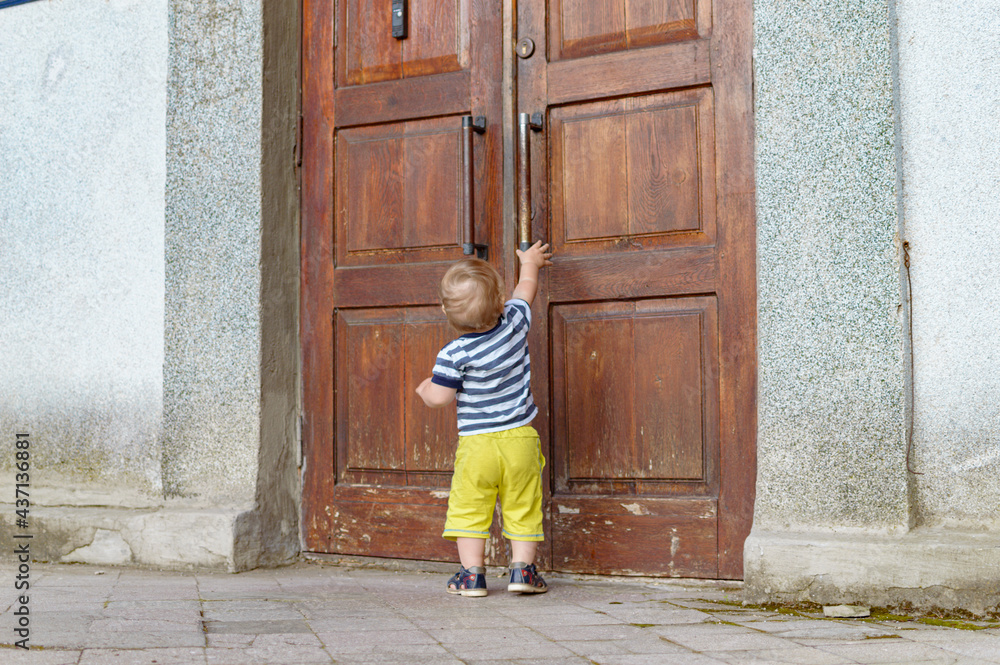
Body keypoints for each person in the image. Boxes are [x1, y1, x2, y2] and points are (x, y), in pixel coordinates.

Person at [416, 241, 553, 597]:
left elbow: (441, 397)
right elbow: (526, 288)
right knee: (522, 504)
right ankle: (522, 572)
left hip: (478, 445)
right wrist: (530, 262)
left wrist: (424, 388)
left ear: (446, 311)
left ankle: (471, 576)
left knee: (470, 505)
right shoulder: (514, 324)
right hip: (521, 439)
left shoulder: (454, 353)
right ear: (499, 302)